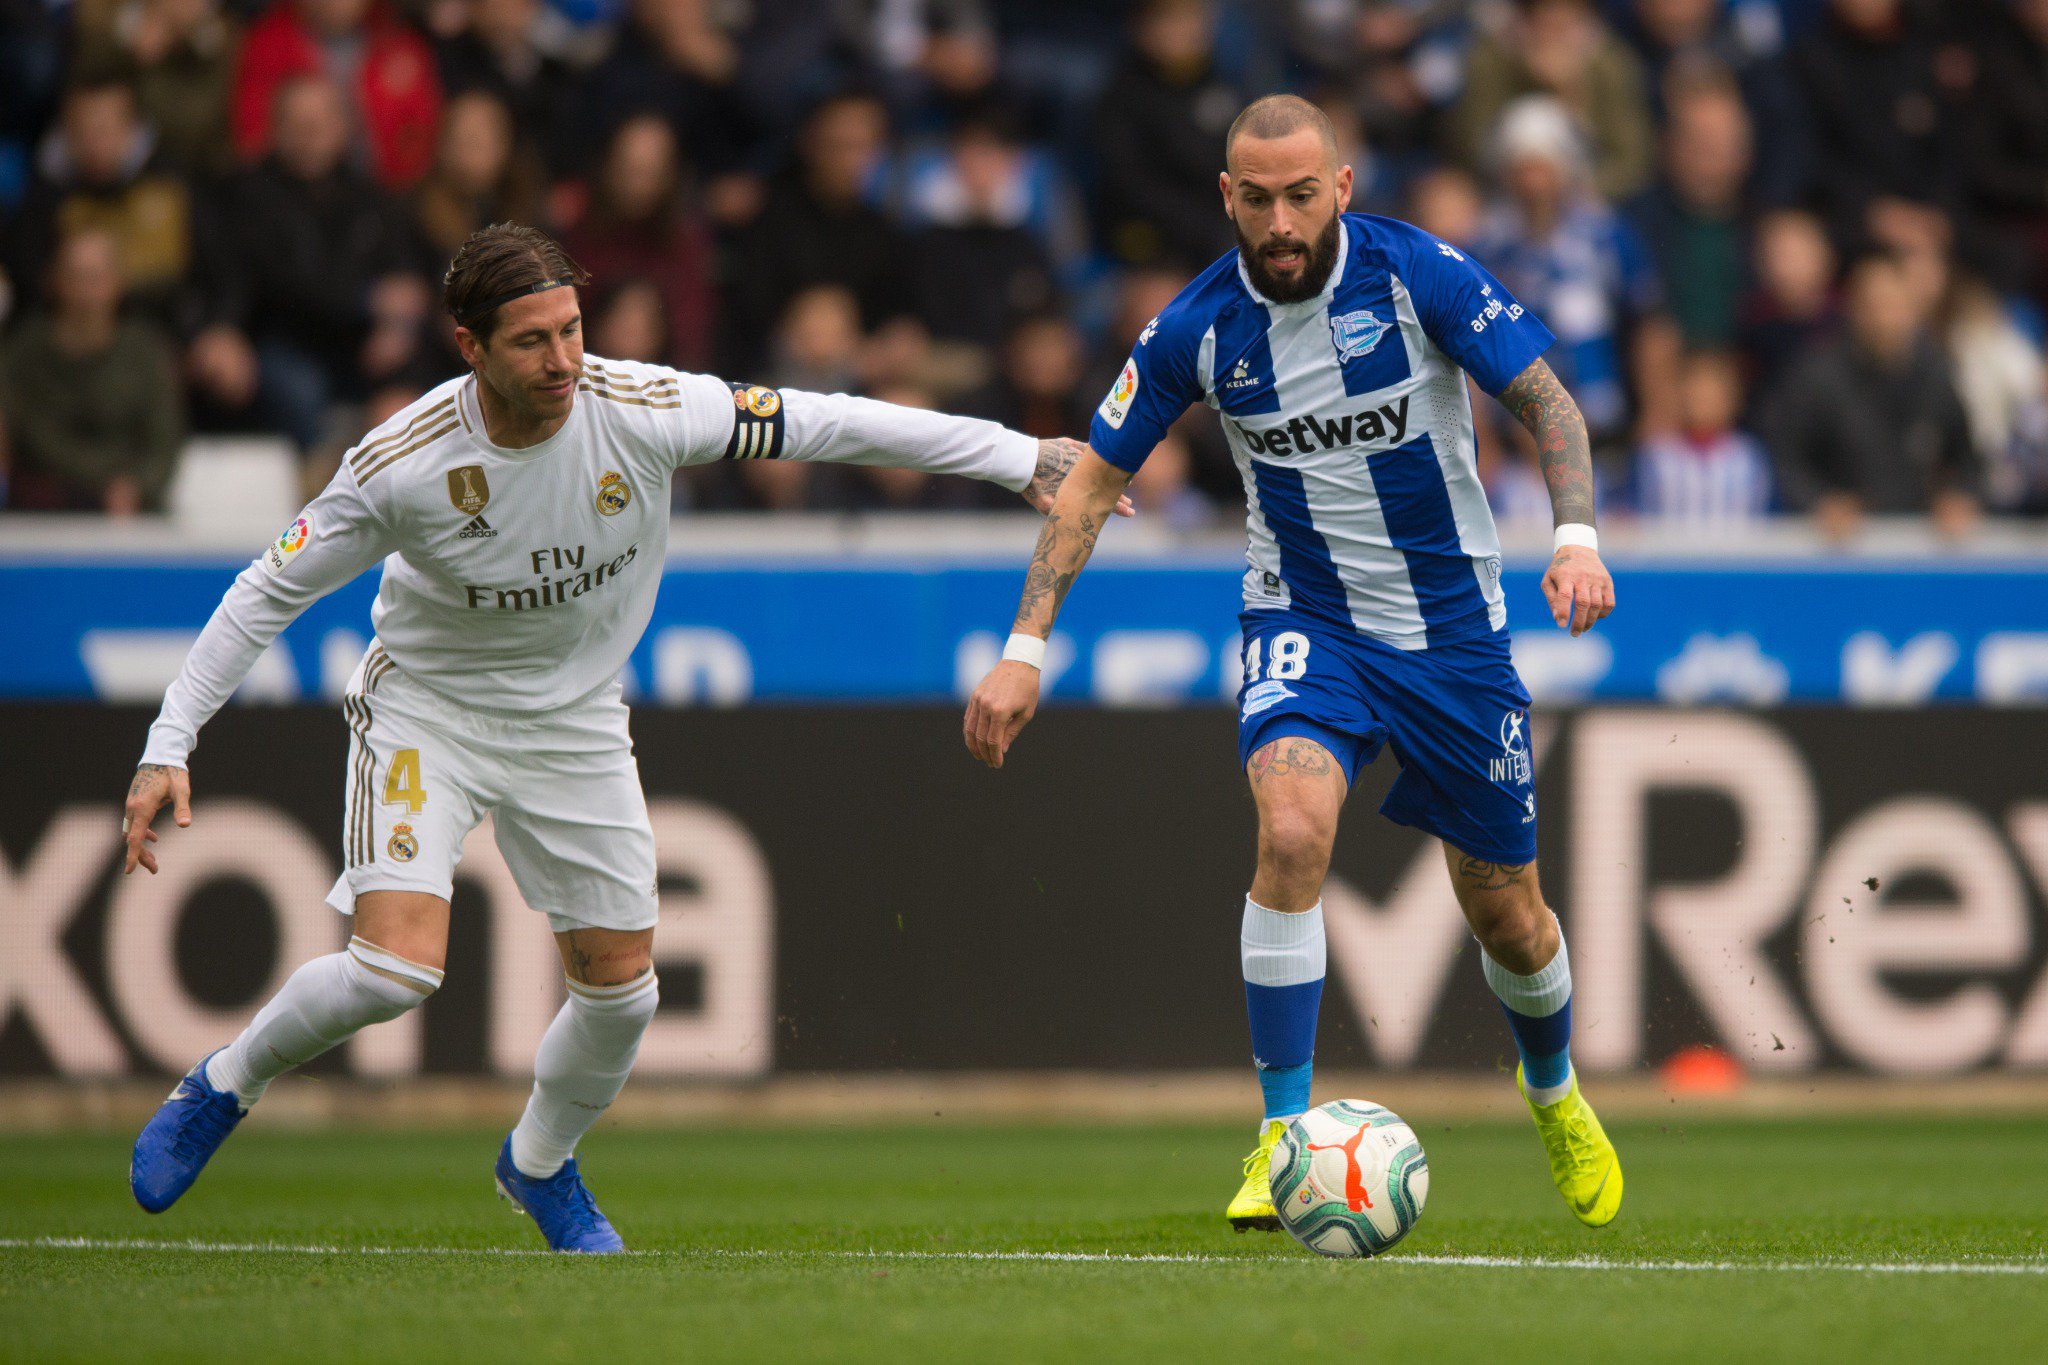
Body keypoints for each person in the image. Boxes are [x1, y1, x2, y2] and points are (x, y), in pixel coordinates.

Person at [120, 222, 1129, 1253]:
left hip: (575, 719)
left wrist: (1020, 458)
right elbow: (263, 592)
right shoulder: (401, 464)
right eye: (531, 342)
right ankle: (222, 1085)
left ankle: (539, 1165)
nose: (563, 361)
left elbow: (827, 422)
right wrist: (170, 742)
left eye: (571, 329)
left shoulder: (644, 409)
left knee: (621, 997)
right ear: (469, 346)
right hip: (429, 707)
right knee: (393, 974)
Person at [964, 95, 1624, 1235]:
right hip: (1303, 619)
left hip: (1450, 638)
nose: (1279, 220)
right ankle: (1278, 1136)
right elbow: (1090, 482)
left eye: (1300, 195)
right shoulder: (1194, 328)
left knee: (1507, 916)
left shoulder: (1420, 277)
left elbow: (1544, 402)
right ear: (1226, 196)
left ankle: (1553, 1091)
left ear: (1342, 187)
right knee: (1290, 833)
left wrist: (1574, 536)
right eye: (1256, 198)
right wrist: (1024, 648)